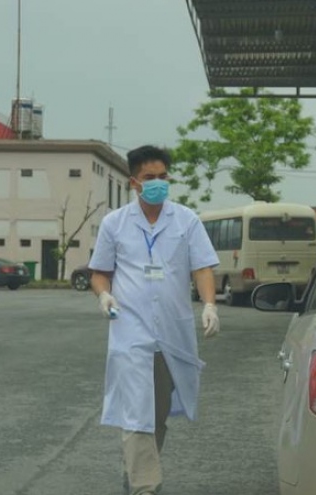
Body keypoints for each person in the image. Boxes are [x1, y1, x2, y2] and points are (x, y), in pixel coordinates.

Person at [88, 145, 220, 495]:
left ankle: (134, 473)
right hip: (130, 331)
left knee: (156, 414)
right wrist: (104, 295)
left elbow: (202, 267)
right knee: (136, 411)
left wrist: (210, 305)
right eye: (150, 177)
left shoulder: (186, 220)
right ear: (133, 182)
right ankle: (146, 486)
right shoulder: (115, 223)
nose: (158, 183)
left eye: (163, 177)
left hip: (172, 333)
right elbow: (100, 273)